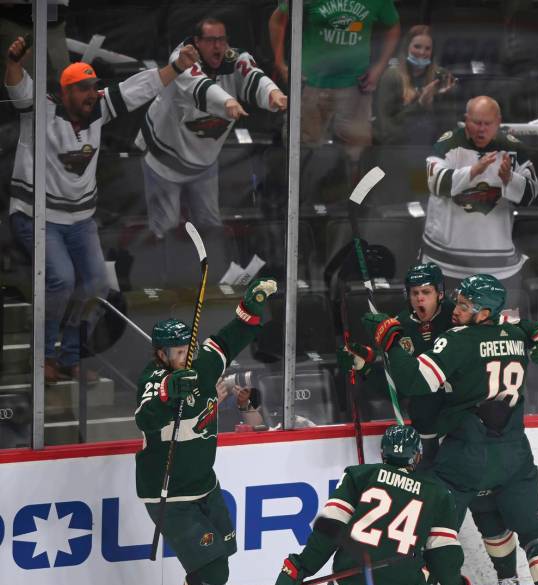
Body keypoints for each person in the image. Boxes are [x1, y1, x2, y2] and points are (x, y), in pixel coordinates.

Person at [361, 274, 538, 585]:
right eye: (457, 303)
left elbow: (413, 381)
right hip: (513, 453)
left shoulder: (457, 340)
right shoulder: (512, 332)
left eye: (464, 306)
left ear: (483, 313)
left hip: (465, 455)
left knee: (430, 533)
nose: (456, 310)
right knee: (536, 533)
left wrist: (391, 340)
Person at [340, 262, 528, 585]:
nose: (419, 299)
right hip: (425, 441)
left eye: (426, 292)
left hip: (462, 436)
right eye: (414, 293)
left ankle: (508, 578)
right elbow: (398, 384)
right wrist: (367, 367)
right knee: (429, 524)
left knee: (487, 509)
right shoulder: (398, 327)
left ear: (441, 293)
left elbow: (504, 337)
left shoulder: (460, 323)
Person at [5, 36, 198, 384]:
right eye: (81, 89)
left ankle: (70, 356)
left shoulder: (99, 110)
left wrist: (177, 67)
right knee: (61, 280)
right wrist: (14, 62)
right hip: (37, 216)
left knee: (96, 284)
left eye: (93, 87)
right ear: (65, 93)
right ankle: (44, 356)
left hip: (79, 220)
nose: (90, 94)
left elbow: (138, 88)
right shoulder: (42, 111)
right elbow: (19, 88)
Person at [134, 278, 277, 585]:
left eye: (186, 349)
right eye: (175, 353)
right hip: (170, 495)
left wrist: (252, 304)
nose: (183, 356)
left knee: (220, 555)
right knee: (215, 569)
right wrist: (169, 393)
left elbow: (231, 337)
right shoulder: (153, 380)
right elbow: (145, 417)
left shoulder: (206, 363)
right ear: (161, 355)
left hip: (205, 486)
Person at [274, 424, 475, 585]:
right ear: (417, 456)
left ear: (382, 454)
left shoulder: (357, 476)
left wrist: (300, 568)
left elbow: (328, 530)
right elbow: (443, 557)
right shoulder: (437, 494)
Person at [136, 17, 287, 240]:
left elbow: (252, 75)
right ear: (197, 42)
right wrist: (227, 102)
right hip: (164, 158)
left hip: (204, 162)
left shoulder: (233, 58)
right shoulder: (182, 59)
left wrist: (272, 93)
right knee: (164, 229)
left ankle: (210, 273)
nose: (217, 46)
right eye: (210, 40)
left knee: (210, 227)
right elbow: (198, 86)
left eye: (221, 40)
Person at [422, 95, 538, 290]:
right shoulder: (448, 144)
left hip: (499, 267)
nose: (481, 129)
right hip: (445, 263)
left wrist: (509, 179)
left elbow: (532, 193)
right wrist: (473, 171)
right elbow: (435, 182)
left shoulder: (514, 148)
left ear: (498, 122)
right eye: (476, 122)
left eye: (488, 123)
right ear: (466, 119)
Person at [269, 0, 400, 171]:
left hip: (354, 86)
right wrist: (280, 63)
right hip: (311, 84)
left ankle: (355, 197)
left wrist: (380, 67)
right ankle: (302, 196)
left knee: (358, 155)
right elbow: (278, 19)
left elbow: (393, 26)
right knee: (301, 151)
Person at [374, 25, 456, 147]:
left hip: (432, 147)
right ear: (407, 47)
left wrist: (444, 98)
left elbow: (449, 126)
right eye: (417, 46)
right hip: (398, 148)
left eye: (427, 48)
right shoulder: (391, 77)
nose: (422, 52)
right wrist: (420, 104)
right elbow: (387, 130)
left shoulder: (440, 76)